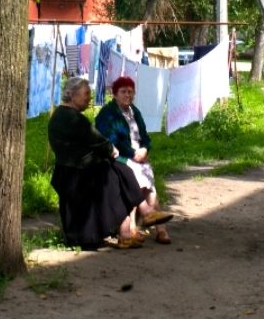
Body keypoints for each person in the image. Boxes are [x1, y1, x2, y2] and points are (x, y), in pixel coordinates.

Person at [48, 77, 172, 249]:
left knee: (122, 172)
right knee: (120, 175)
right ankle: (138, 219)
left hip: (78, 167)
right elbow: (98, 140)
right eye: (86, 94)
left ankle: (134, 224)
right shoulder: (73, 118)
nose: (89, 98)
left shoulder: (64, 115)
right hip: (79, 170)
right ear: (72, 95)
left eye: (90, 95)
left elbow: (96, 140)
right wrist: (112, 151)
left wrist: (140, 148)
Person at [95, 76, 171, 245]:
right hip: (120, 157)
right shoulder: (108, 114)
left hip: (139, 155)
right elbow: (111, 140)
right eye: (123, 91)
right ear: (114, 94)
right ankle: (132, 228)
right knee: (134, 182)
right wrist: (132, 153)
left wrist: (145, 149)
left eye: (130, 91)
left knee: (150, 186)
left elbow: (144, 136)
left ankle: (160, 229)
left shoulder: (134, 111)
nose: (127, 95)